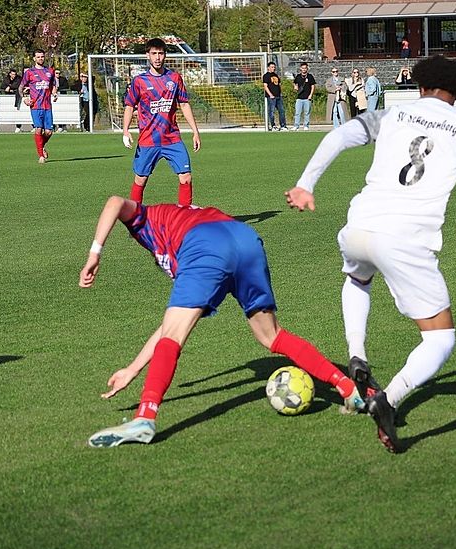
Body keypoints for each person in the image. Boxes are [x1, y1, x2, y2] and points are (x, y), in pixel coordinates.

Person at [284, 55, 456, 453]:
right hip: (405, 240)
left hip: (358, 225)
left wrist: (306, 185)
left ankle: (357, 355)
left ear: (420, 86)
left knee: (357, 278)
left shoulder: (394, 114)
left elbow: (337, 136)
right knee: (441, 339)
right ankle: (387, 399)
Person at [80, 196, 365, 447]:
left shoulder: (148, 222)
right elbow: (171, 325)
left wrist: (94, 254)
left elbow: (115, 202)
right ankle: (349, 389)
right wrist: (131, 369)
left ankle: (145, 418)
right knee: (272, 336)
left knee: (174, 336)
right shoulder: (181, 220)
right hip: (245, 238)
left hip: (204, 243)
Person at [123, 38, 201, 206]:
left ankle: (183, 218)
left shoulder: (174, 78)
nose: (157, 57)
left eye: (160, 53)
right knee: (140, 180)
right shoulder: (140, 81)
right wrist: (125, 131)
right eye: (154, 53)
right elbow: (129, 106)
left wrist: (195, 131)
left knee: (186, 177)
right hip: (148, 140)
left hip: (172, 138)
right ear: (147, 55)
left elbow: (184, 104)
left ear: (165, 55)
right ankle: (135, 221)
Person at [20, 48, 59, 163]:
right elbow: (21, 87)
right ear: (34, 58)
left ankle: (41, 146)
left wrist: (55, 93)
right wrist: (24, 98)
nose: (40, 58)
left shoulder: (50, 71)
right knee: (38, 129)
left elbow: (52, 85)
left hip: (47, 106)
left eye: (42, 56)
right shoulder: (30, 72)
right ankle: (41, 155)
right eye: (38, 57)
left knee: (49, 132)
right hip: (36, 106)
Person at [262, 61, 287, 131]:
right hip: (271, 97)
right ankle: (273, 126)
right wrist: (270, 95)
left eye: (274, 67)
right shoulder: (266, 76)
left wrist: (280, 93)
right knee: (271, 111)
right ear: (268, 68)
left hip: (278, 96)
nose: (273, 68)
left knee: (282, 111)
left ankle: (283, 125)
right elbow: (265, 86)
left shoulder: (276, 75)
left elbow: (279, 85)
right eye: (272, 67)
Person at [292, 62, 316, 131]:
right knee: (297, 112)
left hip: (307, 98)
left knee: (307, 112)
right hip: (299, 98)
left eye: (305, 68)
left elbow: (313, 86)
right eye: (302, 68)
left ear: (307, 68)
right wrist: (295, 87)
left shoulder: (310, 76)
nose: (304, 69)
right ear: (300, 68)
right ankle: (296, 126)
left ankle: (306, 125)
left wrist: (310, 95)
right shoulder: (298, 76)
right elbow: (294, 83)